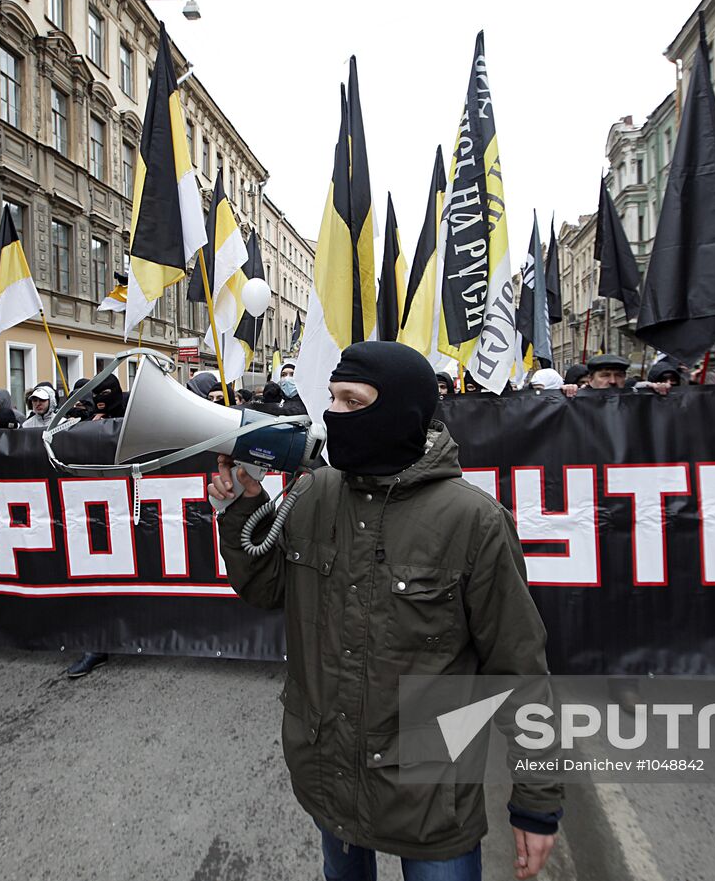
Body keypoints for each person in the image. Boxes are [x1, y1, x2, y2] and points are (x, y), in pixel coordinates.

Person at [212, 340, 562, 880]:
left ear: (399, 411)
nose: (333, 415)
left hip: (430, 795)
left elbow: (518, 667)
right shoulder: (313, 492)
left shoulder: (473, 522)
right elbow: (266, 588)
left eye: (353, 402)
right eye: (331, 399)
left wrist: (536, 802)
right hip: (331, 775)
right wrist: (242, 510)